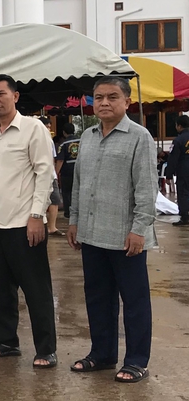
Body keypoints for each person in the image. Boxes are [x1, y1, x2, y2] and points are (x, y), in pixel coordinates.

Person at [68, 77, 156, 384]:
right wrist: (74, 220)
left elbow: (147, 188)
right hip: (92, 233)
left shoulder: (139, 137)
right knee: (98, 298)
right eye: (99, 97)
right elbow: (79, 183)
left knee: (134, 302)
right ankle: (102, 354)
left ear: (127, 102)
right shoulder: (88, 136)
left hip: (125, 236)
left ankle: (136, 361)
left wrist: (139, 229)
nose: (104, 102)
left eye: (112, 97)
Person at [0, 75, 57, 368]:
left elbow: (44, 174)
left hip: (23, 224)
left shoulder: (33, 128)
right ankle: (6, 342)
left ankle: (46, 349)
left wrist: (37, 216)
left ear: (15, 96)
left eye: (1, 94)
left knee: (36, 290)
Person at [37, 116, 63, 236]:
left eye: (49, 127)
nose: (48, 129)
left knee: (54, 200)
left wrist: (54, 174)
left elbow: (52, 159)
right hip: (40, 174)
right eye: (46, 126)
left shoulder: (49, 140)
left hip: (50, 175)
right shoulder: (36, 139)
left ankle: (52, 226)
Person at [168, 115, 189, 226]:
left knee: (183, 192)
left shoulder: (178, 140)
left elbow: (173, 159)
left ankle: (185, 217)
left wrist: (169, 175)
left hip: (184, 170)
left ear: (179, 126)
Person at [55, 122, 79, 220]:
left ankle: (68, 213)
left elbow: (60, 160)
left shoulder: (63, 144)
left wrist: (56, 173)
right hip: (80, 170)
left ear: (64, 132)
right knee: (79, 191)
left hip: (67, 171)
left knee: (67, 192)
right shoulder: (81, 141)